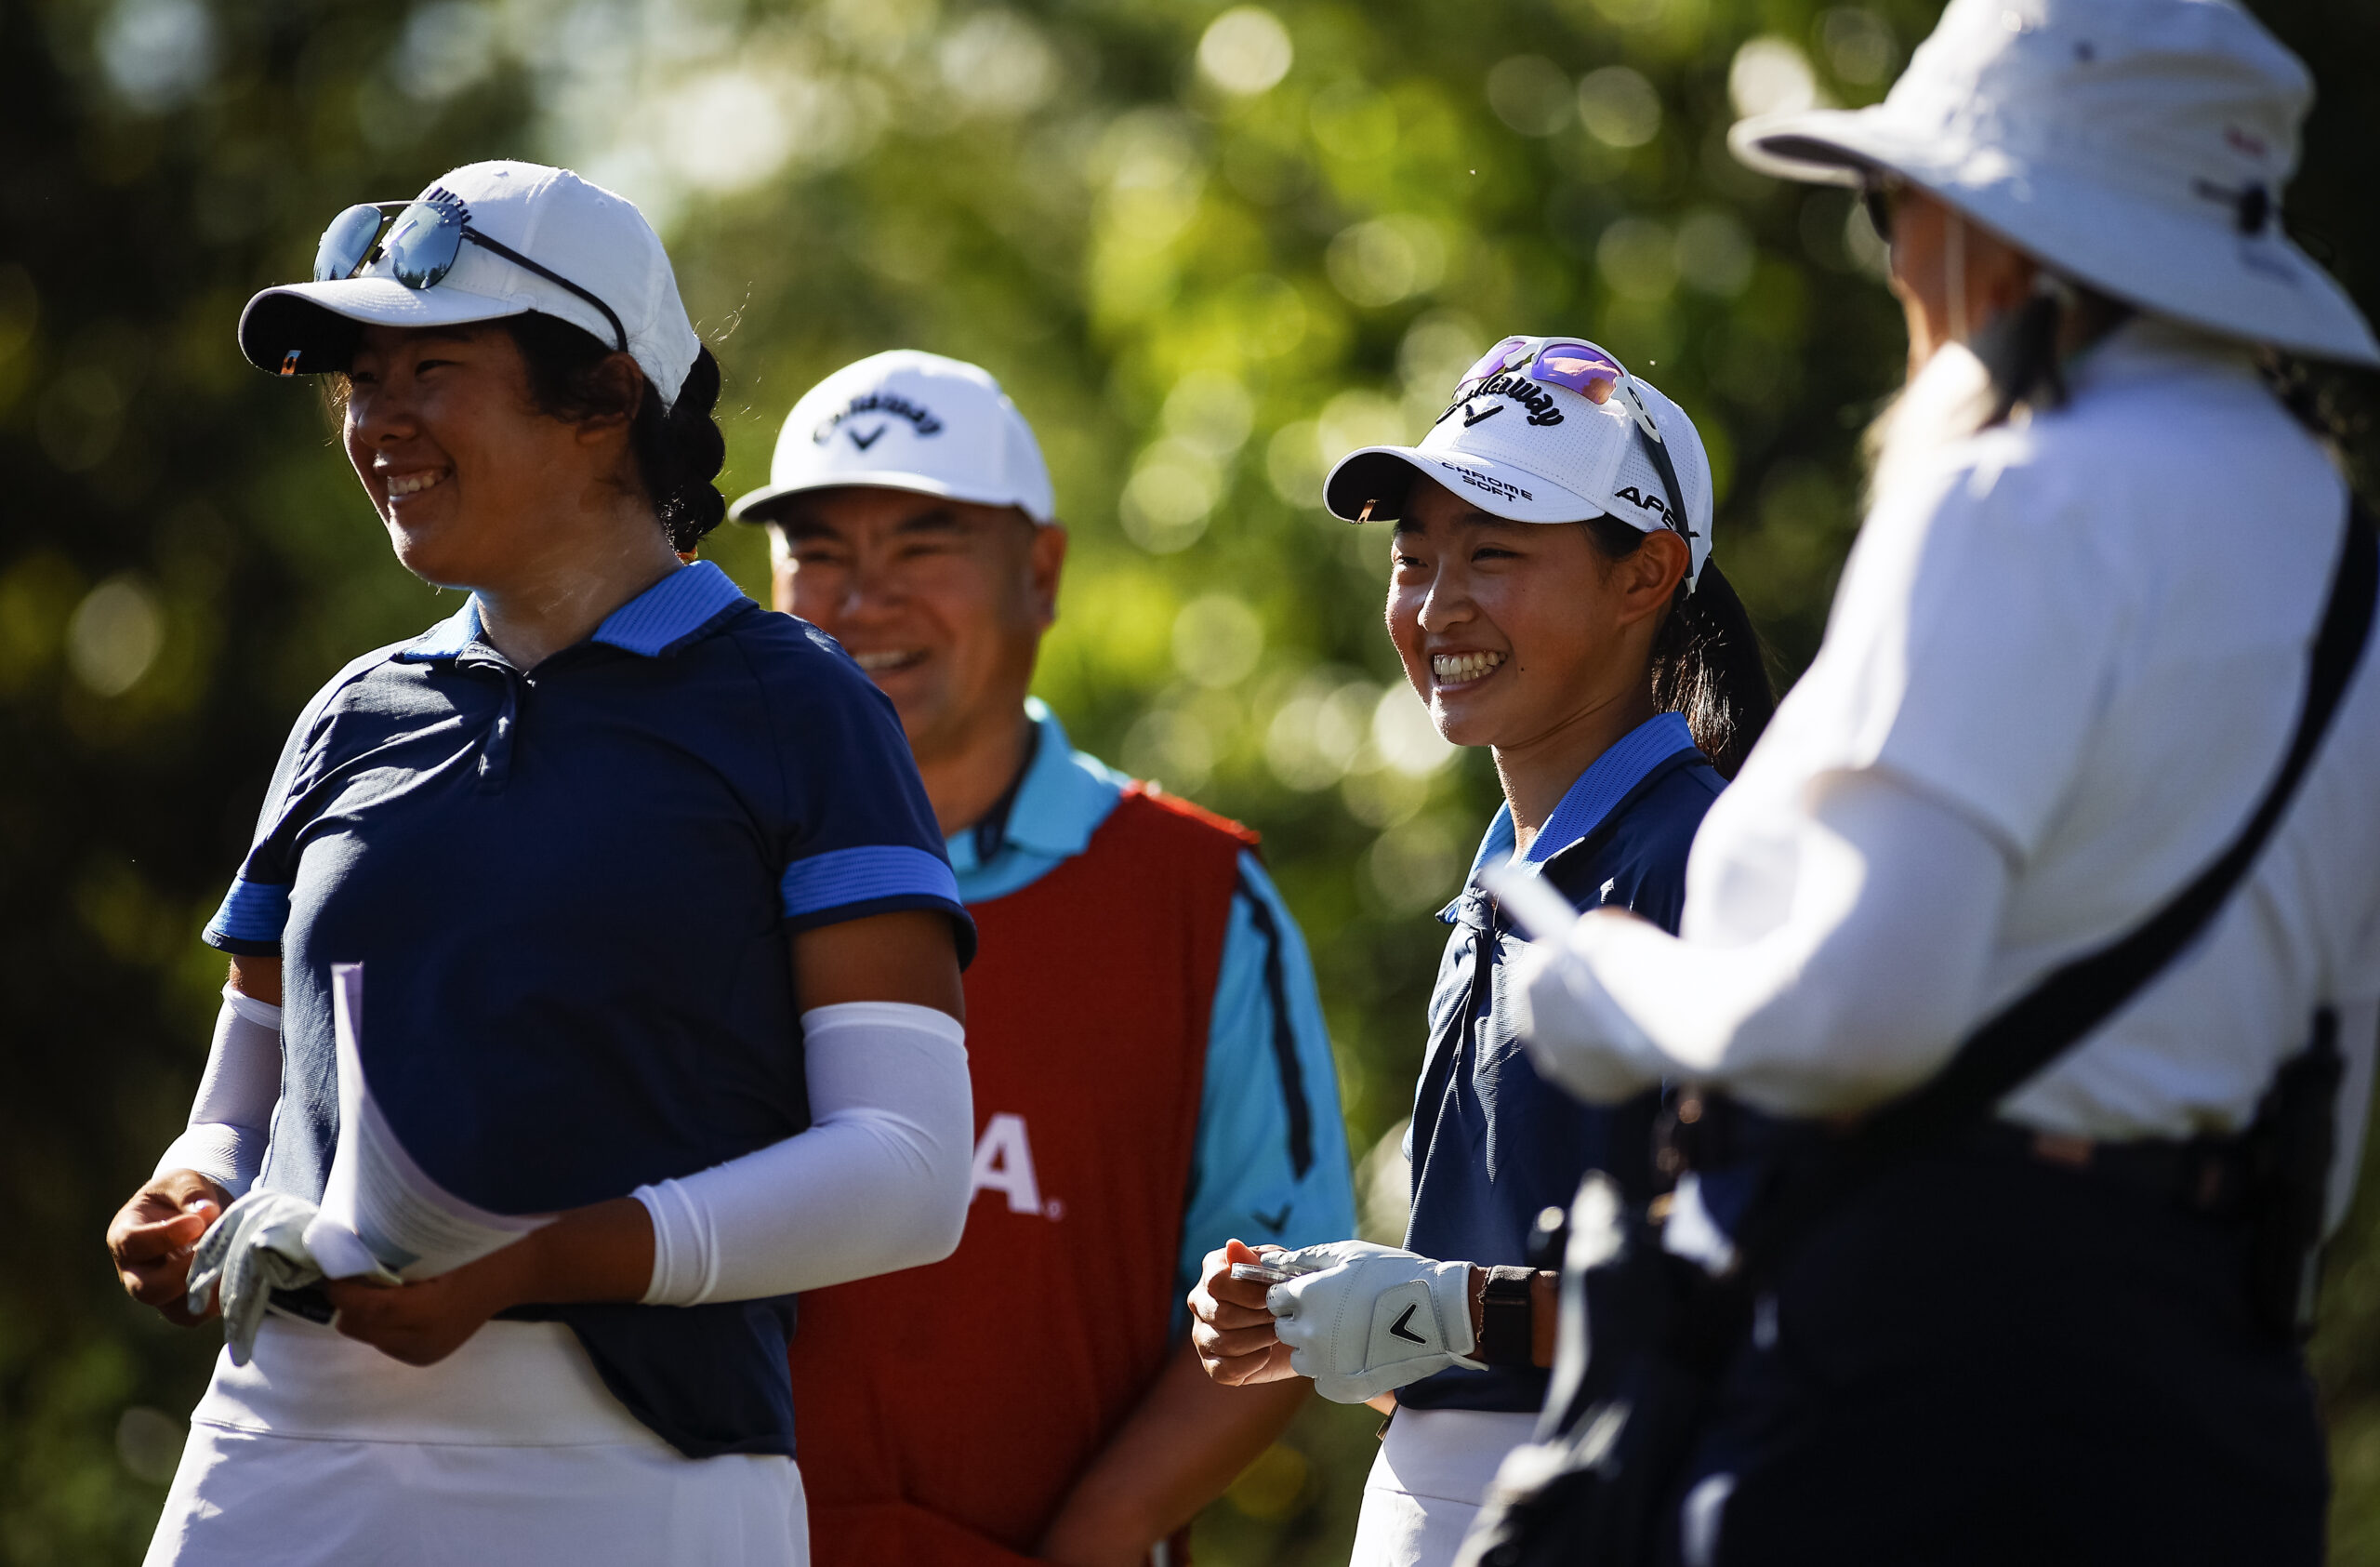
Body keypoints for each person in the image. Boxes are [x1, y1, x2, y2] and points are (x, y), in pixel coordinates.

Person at [1510, 1, 2380, 1560]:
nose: (1894, 251)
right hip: (2216, 1390)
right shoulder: (2341, 557)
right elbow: (2340, 1058)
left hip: (1904, 1380)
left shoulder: (2010, 493)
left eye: (1896, 201)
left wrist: (1615, 989)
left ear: (2003, 231)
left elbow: (1866, 1015)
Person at [102, 161, 978, 1567]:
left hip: (635, 1472)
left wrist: (541, 1262)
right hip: (281, 1447)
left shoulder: (799, 708)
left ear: (604, 399)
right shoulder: (350, 714)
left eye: (429, 370)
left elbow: (909, 1168)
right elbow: (247, 1099)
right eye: (356, 381)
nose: (375, 422)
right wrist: (187, 1189)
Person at [727, 350, 1358, 1566]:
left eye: (923, 547)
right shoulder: (687, 873)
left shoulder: (1199, 896)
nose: (865, 600)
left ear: (1044, 573)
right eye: (819, 554)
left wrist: (1105, 1532)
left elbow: (1288, 1291)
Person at [1187, 336, 1775, 1566]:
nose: (1437, 604)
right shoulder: (1522, 867)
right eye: (1414, 559)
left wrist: (1435, 1308)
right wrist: (1336, 1311)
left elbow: (1749, 1291)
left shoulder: (1706, 862)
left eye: (1494, 553)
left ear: (1646, 574)